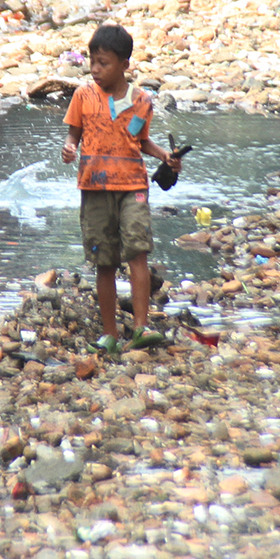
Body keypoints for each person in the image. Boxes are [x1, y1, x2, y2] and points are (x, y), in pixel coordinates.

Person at [61, 23, 182, 354]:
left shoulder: (141, 101)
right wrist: (70, 148)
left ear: (125, 65)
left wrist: (165, 156)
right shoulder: (83, 96)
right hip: (95, 188)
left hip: (133, 186)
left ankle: (141, 328)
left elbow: (140, 141)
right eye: (92, 61)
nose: (95, 69)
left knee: (138, 251)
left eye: (104, 63)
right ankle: (111, 333)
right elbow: (73, 135)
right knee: (105, 260)